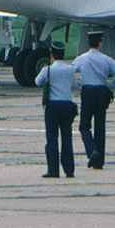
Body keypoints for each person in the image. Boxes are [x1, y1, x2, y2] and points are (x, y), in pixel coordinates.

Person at [72, 32, 115, 169]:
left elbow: (68, 73)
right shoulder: (106, 59)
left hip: (88, 92)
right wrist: (109, 87)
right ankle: (99, 162)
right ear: (100, 43)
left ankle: (92, 150)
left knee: (84, 125)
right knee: (100, 127)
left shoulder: (82, 58)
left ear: (88, 43)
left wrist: (76, 86)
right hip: (102, 92)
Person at [34, 42, 79, 178]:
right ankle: (69, 169)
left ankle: (53, 170)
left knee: (52, 139)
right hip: (67, 105)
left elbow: (37, 82)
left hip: (52, 106)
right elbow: (73, 85)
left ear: (51, 55)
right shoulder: (70, 69)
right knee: (67, 138)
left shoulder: (48, 70)